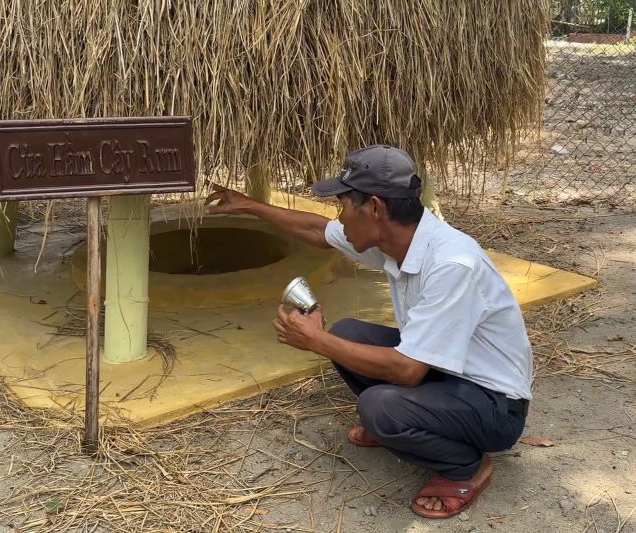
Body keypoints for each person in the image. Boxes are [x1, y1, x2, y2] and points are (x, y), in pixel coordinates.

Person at [205, 145, 532, 519]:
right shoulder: (394, 239)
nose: (339, 217)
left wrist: (316, 340)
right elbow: (317, 230)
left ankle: (466, 467)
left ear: (375, 208)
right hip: (449, 375)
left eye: (342, 205)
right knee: (349, 333)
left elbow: (408, 370)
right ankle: (411, 423)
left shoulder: (451, 264)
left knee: (378, 406)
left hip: (495, 406)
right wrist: (250, 205)